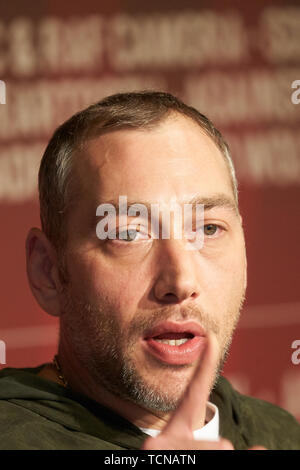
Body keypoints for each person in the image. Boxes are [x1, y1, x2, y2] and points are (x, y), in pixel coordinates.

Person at [0, 91, 299, 450]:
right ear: (48, 271)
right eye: (128, 233)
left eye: (207, 229)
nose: (180, 281)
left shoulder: (279, 433)